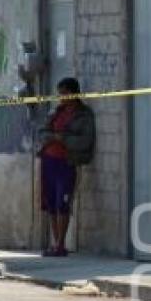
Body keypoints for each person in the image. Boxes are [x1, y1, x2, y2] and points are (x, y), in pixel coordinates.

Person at [37, 77, 96, 257]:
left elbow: (85, 141)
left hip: (67, 162)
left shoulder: (84, 115)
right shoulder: (56, 112)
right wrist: (52, 137)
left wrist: (63, 139)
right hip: (49, 161)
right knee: (50, 204)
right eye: (60, 93)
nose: (61, 97)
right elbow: (43, 132)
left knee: (63, 202)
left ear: (74, 93)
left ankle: (61, 244)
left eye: (65, 93)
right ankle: (55, 244)